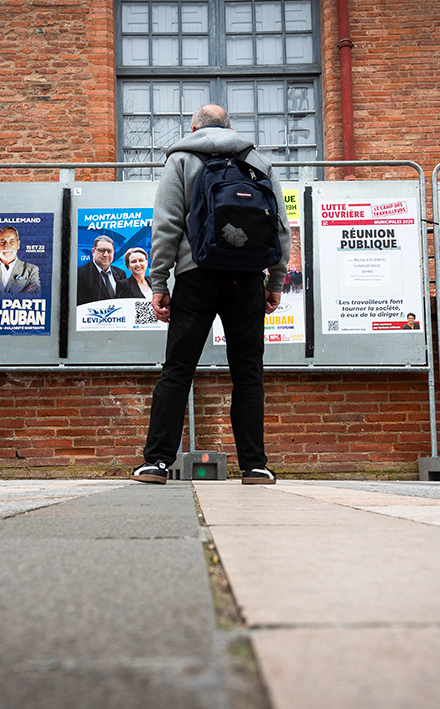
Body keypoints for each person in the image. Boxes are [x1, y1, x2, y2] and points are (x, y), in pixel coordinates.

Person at [130, 104, 291, 486]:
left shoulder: (182, 159)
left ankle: (156, 462)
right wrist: (275, 282)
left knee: (178, 369)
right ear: (230, 127)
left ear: (194, 127)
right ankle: (255, 467)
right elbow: (280, 227)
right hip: (246, 278)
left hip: (196, 275)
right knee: (248, 373)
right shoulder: (257, 161)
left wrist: (158, 284)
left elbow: (166, 225)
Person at [77, 235, 126, 305]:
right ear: (93, 251)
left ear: (113, 252)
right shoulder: (80, 274)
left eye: (109, 251)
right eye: (102, 251)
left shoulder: (120, 273)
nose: (106, 255)